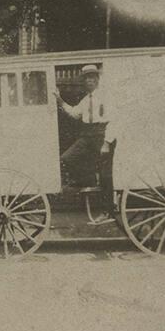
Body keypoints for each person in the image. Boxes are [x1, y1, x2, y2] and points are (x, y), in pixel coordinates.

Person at [53, 64, 116, 225]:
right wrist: (59, 100)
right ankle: (88, 182)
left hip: (102, 135)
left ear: (97, 79)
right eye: (87, 78)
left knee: (105, 175)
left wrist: (106, 143)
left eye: (92, 78)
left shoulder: (106, 96)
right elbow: (75, 113)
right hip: (87, 135)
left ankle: (107, 212)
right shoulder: (85, 99)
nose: (90, 81)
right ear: (84, 81)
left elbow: (114, 120)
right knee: (68, 158)